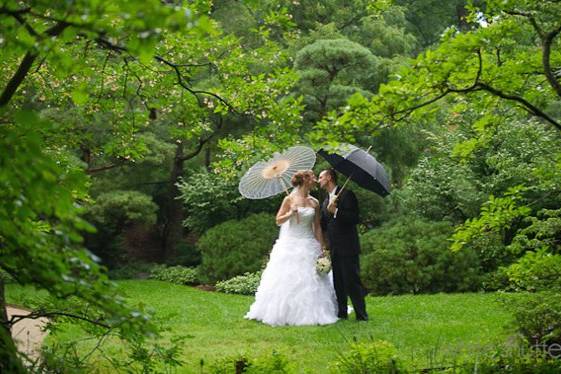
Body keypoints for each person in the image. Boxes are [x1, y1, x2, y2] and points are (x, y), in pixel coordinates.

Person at [245, 170, 338, 326]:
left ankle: (313, 312)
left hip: (309, 244)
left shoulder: (314, 202)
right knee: (287, 279)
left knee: (312, 280)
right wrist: (290, 213)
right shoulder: (289, 199)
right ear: (305, 180)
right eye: (312, 177)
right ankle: (284, 313)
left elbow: (317, 228)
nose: (315, 180)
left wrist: (322, 247)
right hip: (290, 244)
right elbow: (278, 220)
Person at [319, 168, 368, 321]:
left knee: (352, 281)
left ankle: (361, 314)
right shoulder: (326, 200)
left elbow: (354, 218)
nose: (318, 180)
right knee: (338, 282)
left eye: (321, 177)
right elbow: (324, 224)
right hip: (334, 248)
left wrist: (336, 211)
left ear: (329, 178)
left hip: (348, 246)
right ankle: (342, 313)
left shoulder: (347, 195)